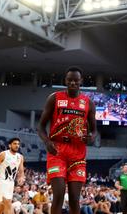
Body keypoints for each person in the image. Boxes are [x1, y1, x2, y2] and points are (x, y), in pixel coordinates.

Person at [37, 66, 96, 214]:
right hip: (57, 150)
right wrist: (46, 142)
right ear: (65, 80)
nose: (73, 83)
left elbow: (94, 131)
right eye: (70, 80)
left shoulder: (88, 103)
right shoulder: (54, 98)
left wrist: (92, 138)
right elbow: (41, 126)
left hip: (78, 152)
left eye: (76, 80)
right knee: (59, 194)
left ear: (81, 81)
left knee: (75, 198)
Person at [0, 138, 25, 214]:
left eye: (18, 144)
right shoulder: (3, 154)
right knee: (8, 204)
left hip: (11, 183)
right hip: (1, 181)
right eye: (15, 144)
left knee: (2, 206)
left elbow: (21, 170)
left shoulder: (20, 157)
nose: (17, 145)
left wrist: (21, 176)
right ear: (10, 145)